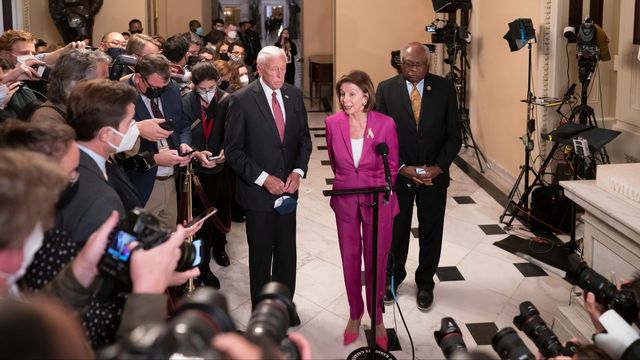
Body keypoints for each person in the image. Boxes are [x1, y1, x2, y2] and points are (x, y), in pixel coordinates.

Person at [224, 46, 312, 319]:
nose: (280, 73)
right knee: (261, 256)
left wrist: (298, 171)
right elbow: (234, 152)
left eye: (284, 68)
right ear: (260, 69)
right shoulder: (241, 100)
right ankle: (263, 313)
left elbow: (304, 140)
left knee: (287, 254)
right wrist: (263, 179)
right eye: (275, 69)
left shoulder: (294, 95)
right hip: (257, 195)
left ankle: (284, 306)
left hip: (288, 191)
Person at [376, 42, 461, 311]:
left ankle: (425, 283)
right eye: (407, 64)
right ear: (400, 62)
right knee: (397, 232)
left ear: (429, 64)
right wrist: (401, 167)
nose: (413, 69)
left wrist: (438, 167)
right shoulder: (386, 89)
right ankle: (393, 279)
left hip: (434, 176)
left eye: (418, 64)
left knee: (431, 230)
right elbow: (381, 137)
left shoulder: (445, 88)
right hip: (399, 175)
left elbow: (454, 136)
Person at [325, 70, 399, 351]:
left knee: (376, 260)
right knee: (350, 258)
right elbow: (334, 162)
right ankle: (355, 314)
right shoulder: (332, 124)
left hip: (378, 199)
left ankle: (377, 318)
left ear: (366, 96)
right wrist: (350, 181)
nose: (345, 100)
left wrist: (376, 185)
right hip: (345, 198)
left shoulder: (386, 124)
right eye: (342, 94)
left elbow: (391, 165)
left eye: (351, 94)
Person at [126, 53, 193, 230]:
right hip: (143, 183)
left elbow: (183, 125)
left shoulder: (170, 89)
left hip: (171, 180)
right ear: (139, 78)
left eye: (164, 87)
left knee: (168, 238)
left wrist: (184, 144)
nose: (159, 93)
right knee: (140, 243)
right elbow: (116, 151)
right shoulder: (120, 95)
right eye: (155, 88)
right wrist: (155, 159)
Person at [182, 61, 232, 287]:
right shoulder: (186, 102)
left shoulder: (227, 100)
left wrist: (226, 151)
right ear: (194, 86)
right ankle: (202, 267)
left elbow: (234, 131)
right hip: (196, 169)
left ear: (218, 83)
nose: (207, 94)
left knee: (222, 209)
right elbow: (183, 132)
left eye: (211, 88)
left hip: (222, 165)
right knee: (202, 218)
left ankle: (220, 248)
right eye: (202, 89)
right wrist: (195, 153)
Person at [29, 49, 110, 124]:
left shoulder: (84, 110)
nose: (108, 85)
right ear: (81, 85)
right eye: (103, 81)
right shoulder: (46, 118)